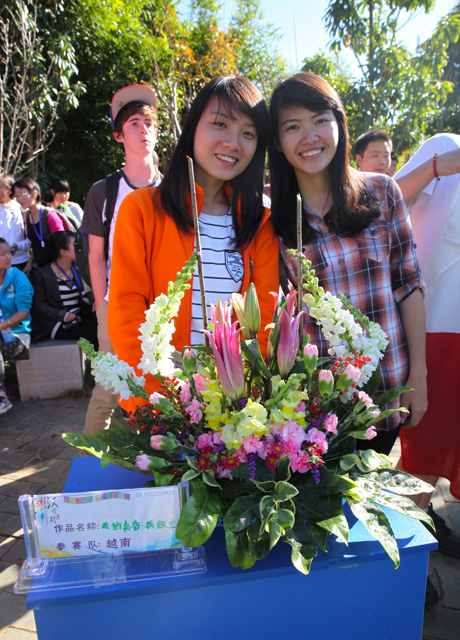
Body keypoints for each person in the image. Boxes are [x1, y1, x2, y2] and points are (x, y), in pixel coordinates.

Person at [268, 72, 426, 456]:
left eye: (320, 120)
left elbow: (408, 285)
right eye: (293, 126)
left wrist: (420, 373)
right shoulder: (275, 220)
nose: (309, 137)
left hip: (387, 389)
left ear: (339, 123)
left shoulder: (383, 192)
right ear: (278, 142)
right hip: (321, 409)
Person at [108, 75, 280, 414]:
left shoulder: (260, 223)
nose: (233, 142)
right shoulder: (141, 209)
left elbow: (264, 327)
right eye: (220, 124)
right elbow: (127, 313)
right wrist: (164, 404)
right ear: (194, 126)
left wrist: (240, 403)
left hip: (233, 412)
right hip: (161, 407)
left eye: (248, 133)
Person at [80, 84, 162, 435]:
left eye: (149, 123)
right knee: (108, 389)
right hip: (116, 304)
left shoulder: (171, 189)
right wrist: (102, 303)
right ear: (118, 135)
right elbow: (96, 255)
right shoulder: (104, 191)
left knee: (164, 390)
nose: (143, 130)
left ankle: (157, 461)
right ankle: (88, 460)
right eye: (134, 124)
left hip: (163, 308)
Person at [395, 133, 460, 562]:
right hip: (437, 330)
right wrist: (438, 166)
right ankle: (402, 558)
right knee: (425, 450)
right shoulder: (445, 145)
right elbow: (381, 202)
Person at [31, 230, 97, 346]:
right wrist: (63, 316)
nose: (79, 247)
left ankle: (102, 356)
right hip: (58, 322)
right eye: (75, 245)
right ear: (63, 252)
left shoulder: (77, 268)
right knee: (94, 328)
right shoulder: (42, 274)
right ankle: (100, 357)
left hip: (79, 316)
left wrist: (97, 301)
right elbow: (39, 304)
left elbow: (87, 291)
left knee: (103, 320)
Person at [0, 237, 33, 414]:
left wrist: (1, 325)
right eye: (2, 254)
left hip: (17, 334)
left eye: (8, 253)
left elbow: (23, 312)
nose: (8, 257)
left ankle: (1, 396)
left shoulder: (17, 277)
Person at [13, 177, 66, 269]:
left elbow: (62, 244)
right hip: (39, 269)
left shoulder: (50, 216)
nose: (19, 199)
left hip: (55, 269)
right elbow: (35, 245)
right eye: (16, 196)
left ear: (34, 194)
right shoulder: (28, 216)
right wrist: (29, 264)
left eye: (21, 194)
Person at [0, 173, 31, 271]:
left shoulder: (21, 208)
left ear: (9, 190)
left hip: (20, 260)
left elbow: (31, 238)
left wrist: (18, 246)